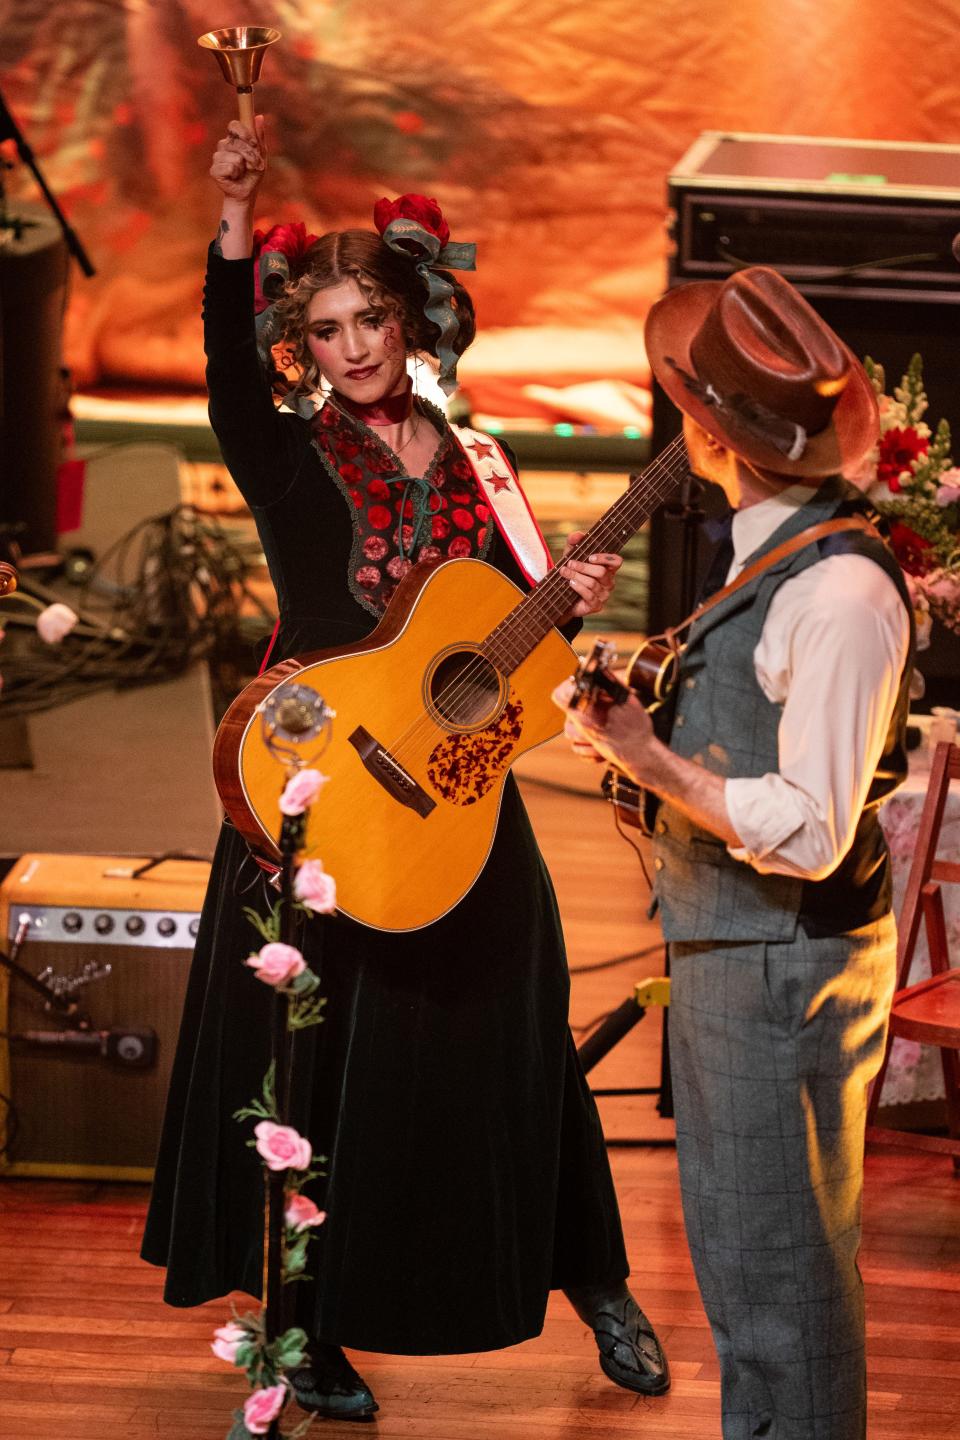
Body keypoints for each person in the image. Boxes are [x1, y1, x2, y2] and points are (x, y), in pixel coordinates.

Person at [141, 116, 669, 1419]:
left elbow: (512, 636)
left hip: (462, 788)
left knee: (524, 1040)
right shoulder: (288, 449)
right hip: (320, 788)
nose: (355, 346)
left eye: (371, 315)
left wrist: (570, 592)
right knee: (311, 1063)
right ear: (304, 344)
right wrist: (230, 218)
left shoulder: (480, 458)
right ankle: (308, 1325)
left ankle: (594, 1275)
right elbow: (225, 365)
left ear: (408, 316)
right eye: (326, 328)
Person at [556, 267, 914, 1440]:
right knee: (742, 1267)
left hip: (780, 965)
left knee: (783, 1283)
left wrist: (657, 765)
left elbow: (810, 831)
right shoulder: (774, 555)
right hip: (731, 950)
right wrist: (627, 727)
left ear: (706, 436)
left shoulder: (844, 591)